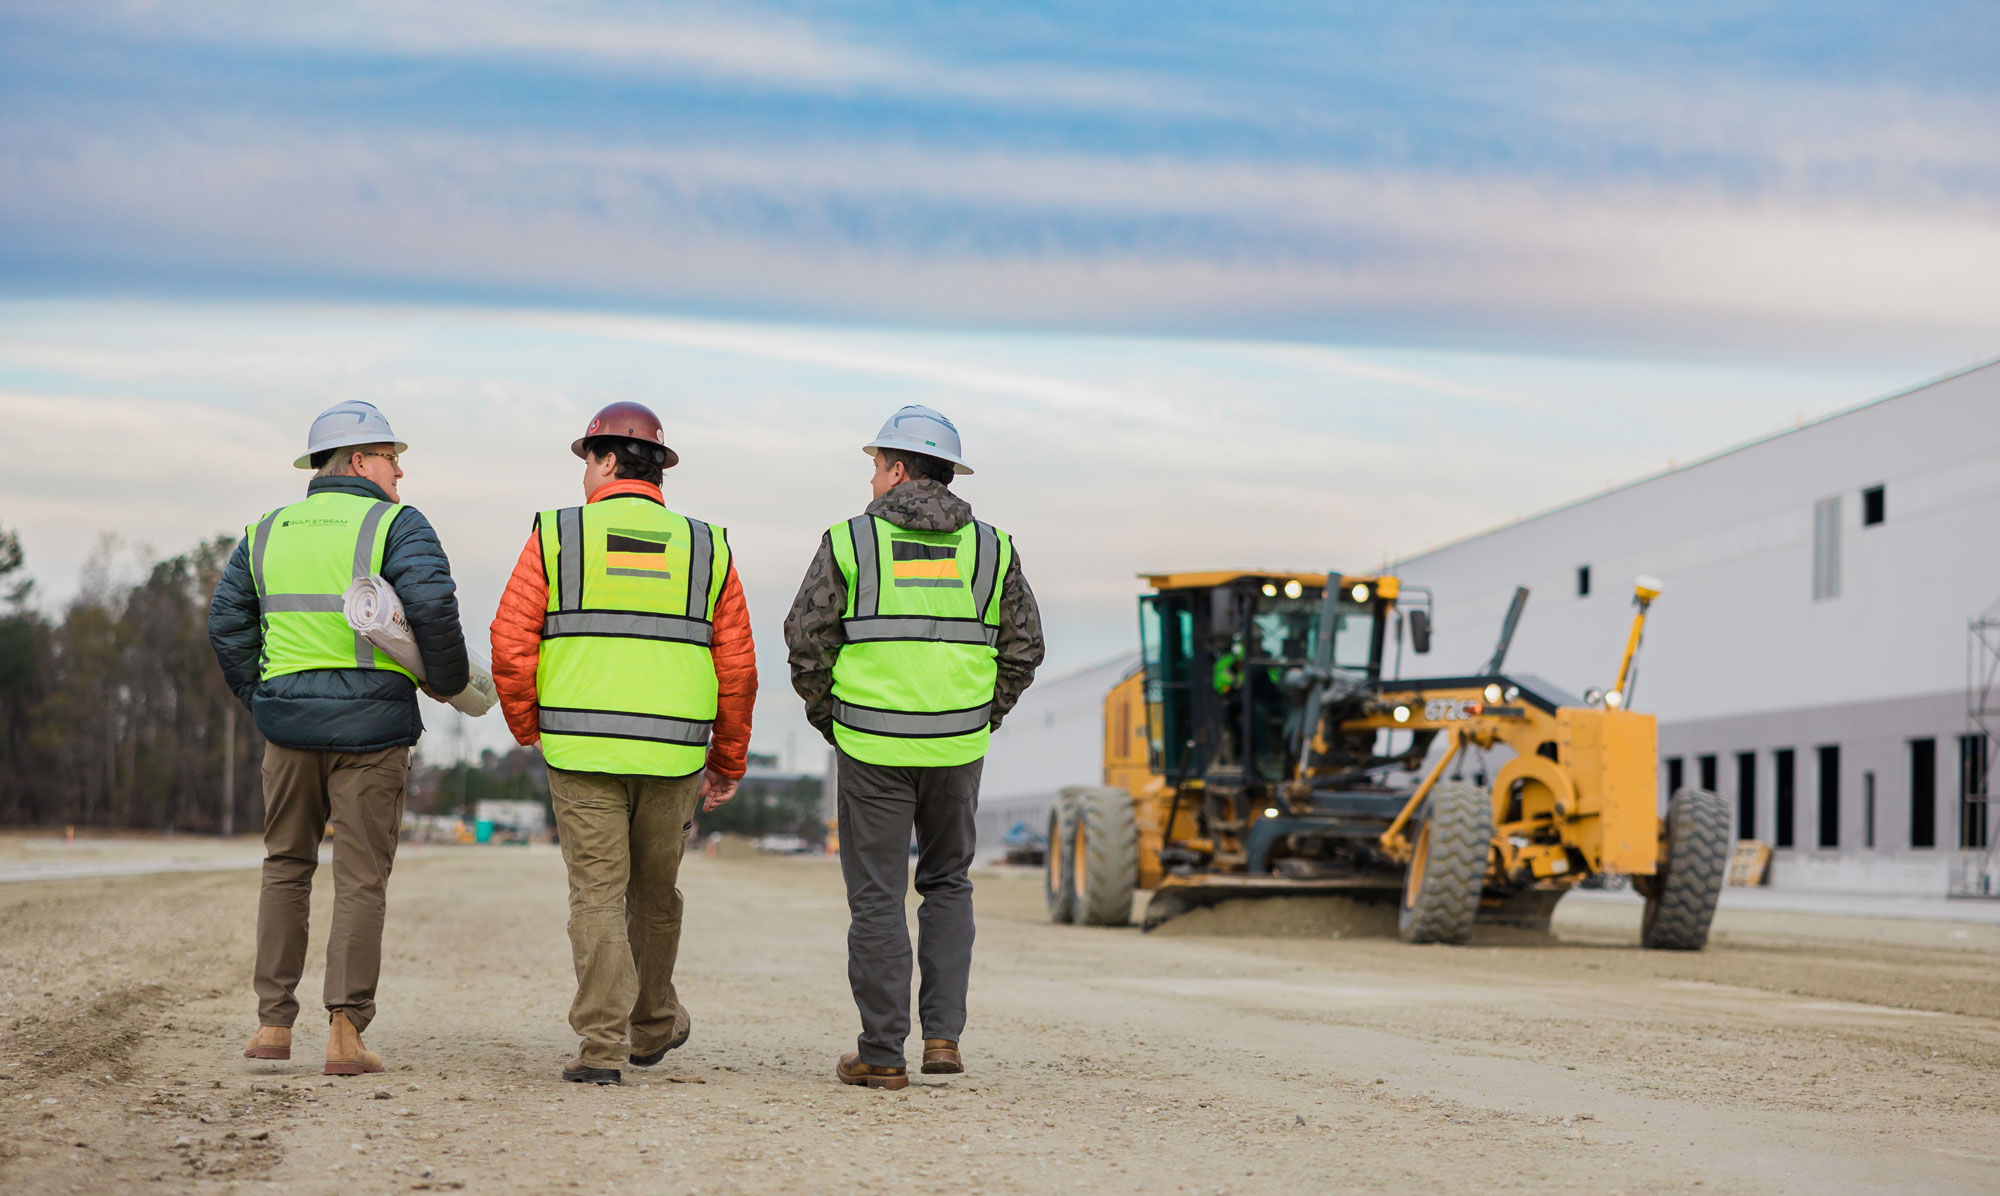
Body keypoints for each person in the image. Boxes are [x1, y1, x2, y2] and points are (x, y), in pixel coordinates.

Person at [490, 401, 757, 1086]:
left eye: (586, 460)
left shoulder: (555, 535)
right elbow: (737, 667)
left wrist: (529, 727)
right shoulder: (706, 546)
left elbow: (511, 642)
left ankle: (603, 1049)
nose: (584, 474)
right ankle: (650, 1027)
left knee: (598, 895)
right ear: (657, 468)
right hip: (672, 756)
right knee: (656, 894)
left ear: (605, 459)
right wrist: (726, 760)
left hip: (581, 751)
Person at [785, 404, 1043, 1091]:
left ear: (899, 469)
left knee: (877, 898)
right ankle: (942, 1039)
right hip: (957, 746)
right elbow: (1025, 648)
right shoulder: (992, 548)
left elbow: (806, 639)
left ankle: (881, 1053)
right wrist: (981, 717)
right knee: (948, 884)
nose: (871, 481)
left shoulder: (850, 542)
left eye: (875, 467)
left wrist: (832, 721)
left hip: (870, 744)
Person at [209, 400, 468, 1076]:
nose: (400, 474)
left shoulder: (266, 531)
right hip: (373, 731)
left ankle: (271, 1026)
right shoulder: (396, 523)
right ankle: (345, 1036)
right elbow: (434, 607)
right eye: (392, 459)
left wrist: (262, 697)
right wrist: (444, 683)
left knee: (285, 866)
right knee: (361, 879)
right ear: (359, 461)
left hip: (287, 728)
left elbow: (226, 621)